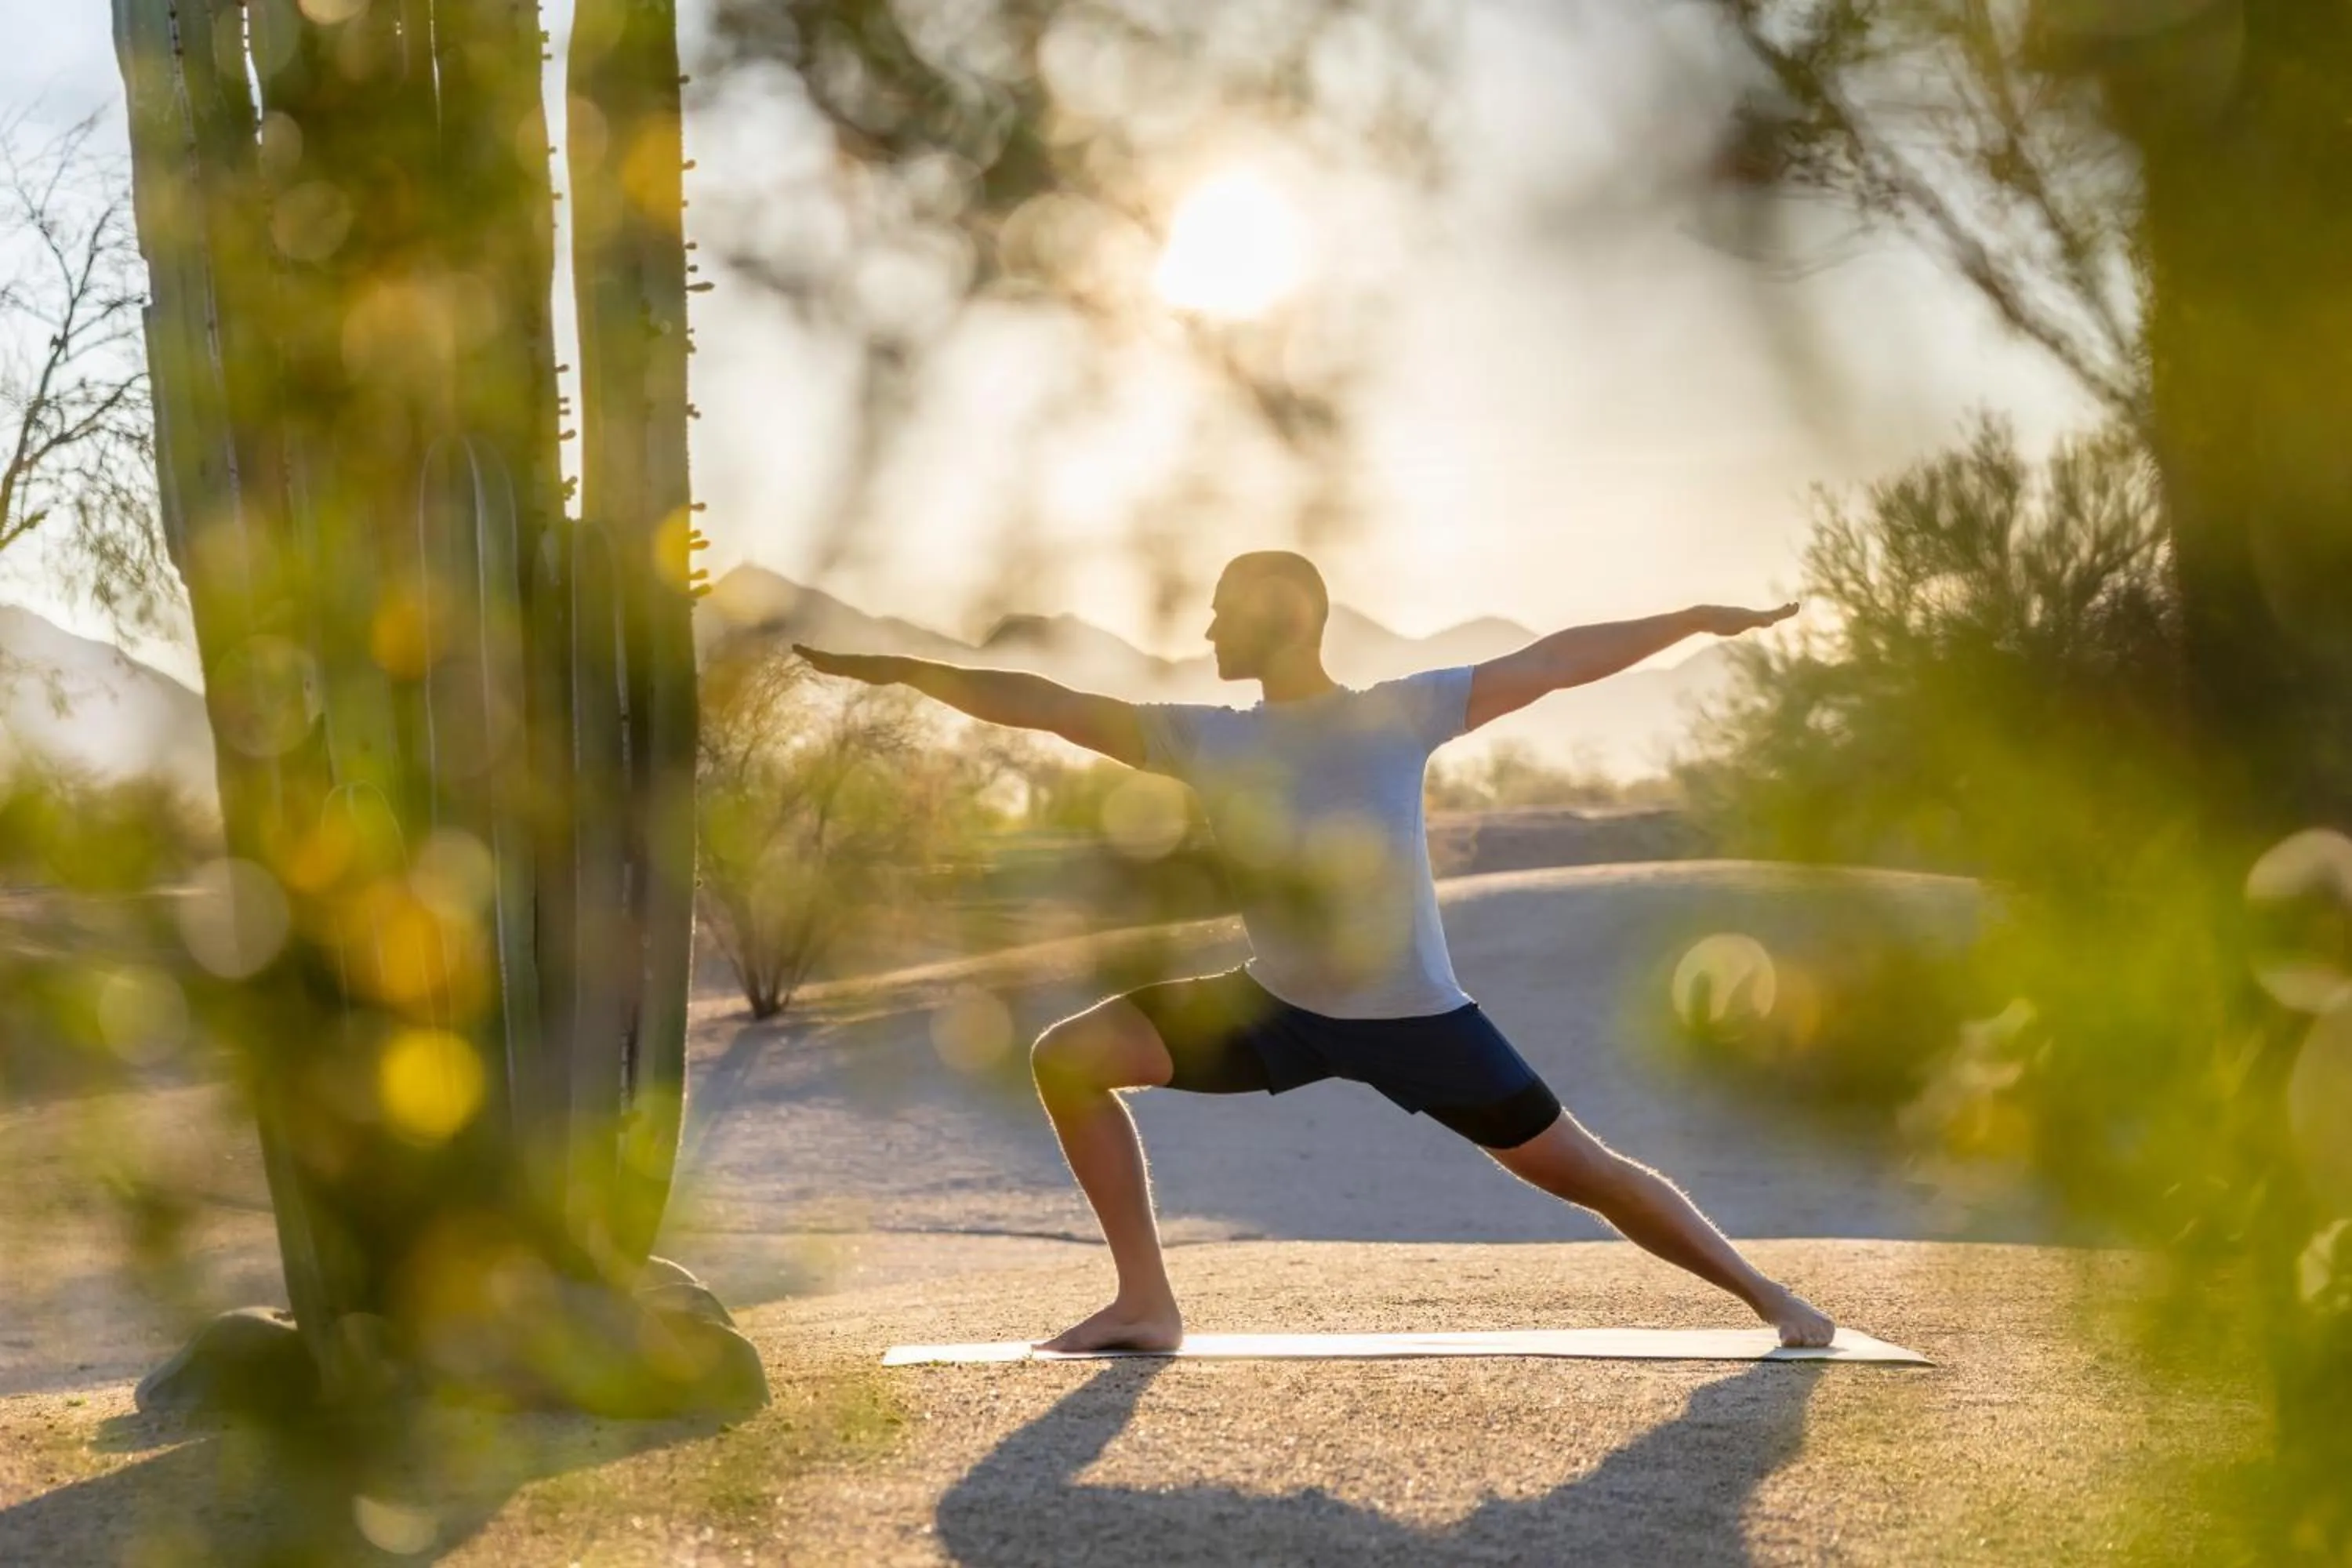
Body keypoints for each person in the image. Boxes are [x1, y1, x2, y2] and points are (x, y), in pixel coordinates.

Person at [796, 550, 1835, 1352]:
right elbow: (1051, 708)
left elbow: (1557, 663)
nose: (1207, 627)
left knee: (1586, 1174)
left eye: (1223, 609)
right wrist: (904, 672)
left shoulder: (1402, 712)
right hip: (1276, 1012)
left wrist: (1695, 620)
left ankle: (1770, 1299)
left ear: (1284, 616)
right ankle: (1145, 1304)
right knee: (1067, 1057)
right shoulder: (1210, 737)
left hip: (1419, 1022)